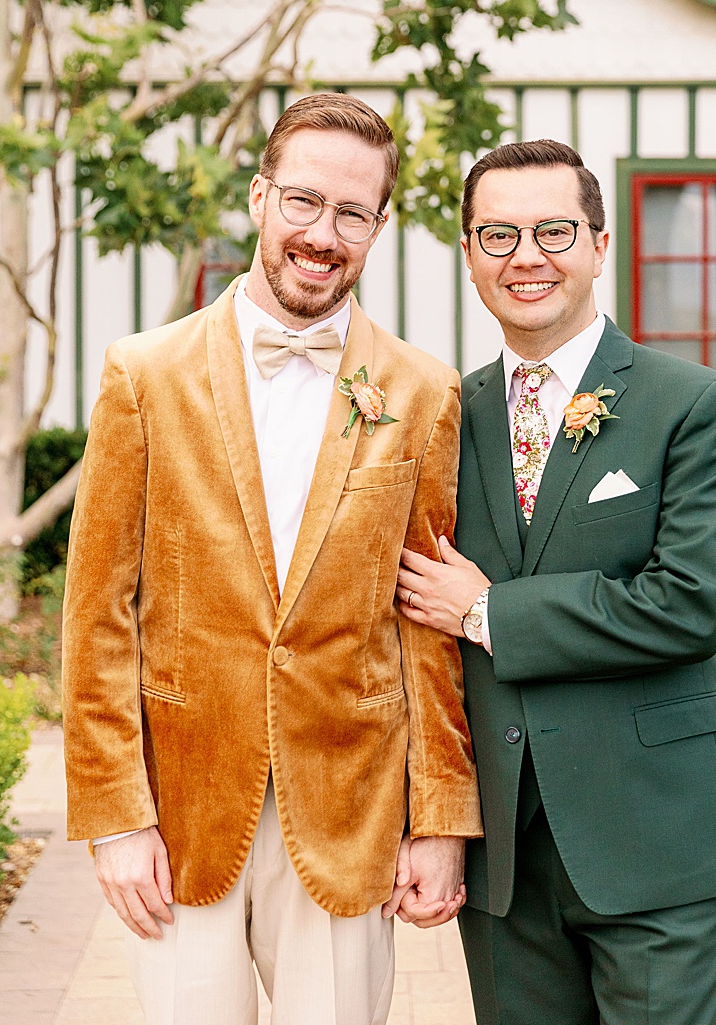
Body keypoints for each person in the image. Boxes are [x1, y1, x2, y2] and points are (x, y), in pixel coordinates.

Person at [62, 92, 482, 1025]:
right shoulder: (145, 373)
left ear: (379, 225)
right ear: (259, 197)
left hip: (348, 808)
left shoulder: (421, 391)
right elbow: (98, 611)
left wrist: (441, 820)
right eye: (302, 201)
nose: (321, 233)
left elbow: (430, 628)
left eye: (350, 212)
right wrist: (114, 814)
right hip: (181, 811)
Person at [396, 138, 716, 1024]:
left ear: (599, 245)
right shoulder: (445, 415)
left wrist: (486, 609)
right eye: (498, 235)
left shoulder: (692, 403)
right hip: (507, 862)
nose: (526, 256)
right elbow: (413, 634)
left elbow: (689, 606)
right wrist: (433, 819)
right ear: (469, 256)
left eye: (553, 230)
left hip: (658, 844)